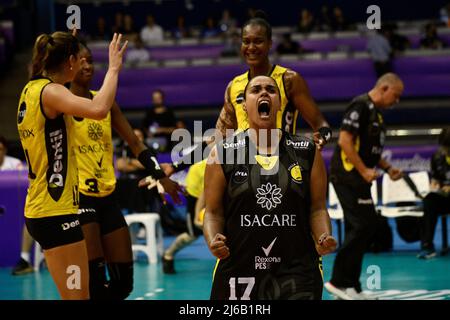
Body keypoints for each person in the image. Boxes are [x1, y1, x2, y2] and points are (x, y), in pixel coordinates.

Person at [16, 31, 127, 300]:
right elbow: (100, 108)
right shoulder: (51, 93)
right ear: (68, 62)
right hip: (58, 214)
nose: (81, 66)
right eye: (78, 60)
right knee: (78, 297)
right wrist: (113, 68)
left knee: (74, 296)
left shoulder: (32, 89)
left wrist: (66, 45)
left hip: (42, 211)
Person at [204, 75, 336, 300]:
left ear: (279, 103)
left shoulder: (306, 151)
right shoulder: (222, 153)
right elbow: (214, 211)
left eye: (270, 90)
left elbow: (317, 208)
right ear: (244, 105)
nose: (264, 93)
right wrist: (213, 239)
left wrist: (323, 236)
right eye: (255, 90)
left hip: (297, 269)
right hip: (239, 269)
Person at [69, 42, 182, 299]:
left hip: (108, 198)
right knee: (93, 284)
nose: (87, 65)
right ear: (69, 64)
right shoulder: (62, 101)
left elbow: (135, 143)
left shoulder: (106, 102)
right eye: (80, 60)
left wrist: (161, 177)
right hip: (79, 199)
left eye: (90, 60)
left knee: (123, 285)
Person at [324, 73, 404, 300]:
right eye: (395, 96)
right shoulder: (360, 106)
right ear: (384, 88)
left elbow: (370, 150)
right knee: (363, 225)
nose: (396, 102)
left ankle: (351, 286)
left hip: (358, 179)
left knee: (362, 227)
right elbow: (344, 141)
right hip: (348, 177)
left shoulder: (377, 114)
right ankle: (338, 282)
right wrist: (363, 170)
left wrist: (388, 168)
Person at [215, 13, 332, 150]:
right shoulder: (234, 86)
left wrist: (322, 138)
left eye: (258, 41)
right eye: (246, 41)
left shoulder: (289, 80)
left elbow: (322, 126)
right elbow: (219, 138)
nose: (251, 47)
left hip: (281, 165)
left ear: (270, 43)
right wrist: (184, 160)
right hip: (245, 167)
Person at [162, 159, 207, 274]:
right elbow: (205, 193)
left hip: (208, 186)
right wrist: (197, 216)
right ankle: (168, 254)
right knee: (192, 234)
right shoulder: (217, 167)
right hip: (196, 190)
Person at [418, 127, 450, 259]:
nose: (445, 151)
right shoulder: (437, 157)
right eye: (444, 147)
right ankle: (428, 246)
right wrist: (435, 185)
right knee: (429, 200)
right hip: (445, 197)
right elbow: (436, 178)